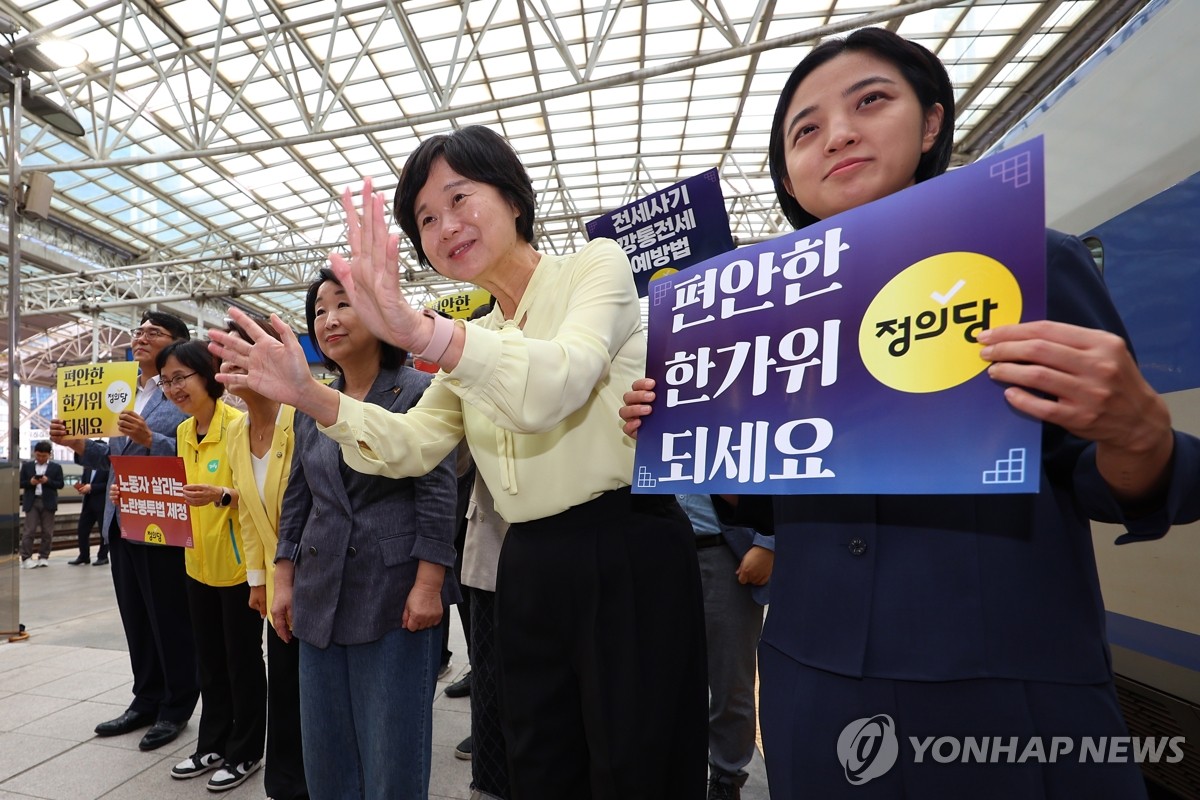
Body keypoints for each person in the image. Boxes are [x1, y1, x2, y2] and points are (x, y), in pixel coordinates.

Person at [619, 27, 1200, 800]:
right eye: (807, 129)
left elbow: (1108, 481)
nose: (840, 135)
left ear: (931, 123)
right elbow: (764, 506)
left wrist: (1140, 434)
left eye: (870, 101)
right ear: (791, 178)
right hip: (813, 693)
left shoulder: (1034, 263)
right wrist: (697, 436)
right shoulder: (765, 330)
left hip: (1005, 699)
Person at [209, 125, 708, 800]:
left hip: (625, 546)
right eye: (425, 219)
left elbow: (559, 380)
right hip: (526, 560)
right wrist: (312, 400)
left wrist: (422, 333)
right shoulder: (481, 335)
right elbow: (413, 444)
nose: (446, 226)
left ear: (514, 198)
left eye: (459, 198)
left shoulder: (595, 267)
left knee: (635, 759)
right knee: (539, 755)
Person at [270, 268, 459, 800]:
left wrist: (429, 583)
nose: (328, 319)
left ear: (378, 315)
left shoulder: (421, 389)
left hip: (392, 591)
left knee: (392, 748)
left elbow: (438, 490)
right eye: (318, 310)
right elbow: (297, 495)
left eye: (342, 304)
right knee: (325, 748)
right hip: (319, 589)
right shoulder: (311, 399)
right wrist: (284, 577)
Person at [50, 310, 200, 752]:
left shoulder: (184, 392)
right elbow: (115, 458)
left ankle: (177, 705)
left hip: (163, 519)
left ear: (177, 343)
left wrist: (154, 439)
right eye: (138, 331)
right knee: (135, 616)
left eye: (154, 332)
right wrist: (80, 446)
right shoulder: (120, 392)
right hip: (121, 519)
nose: (141, 338)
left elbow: (200, 447)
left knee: (169, 615)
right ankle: (145, 698)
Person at [152, 339, 266, 791]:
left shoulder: (238, 425)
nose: (175, 388)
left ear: (207, 375)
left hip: (239, 568)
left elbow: (258, 496)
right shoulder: (183, 433)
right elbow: (178, 495)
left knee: (242, 661)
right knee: (210, 661)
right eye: (167, 381)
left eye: (182, 377)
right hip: (197, 562)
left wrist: (222, 496)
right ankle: (212, 743)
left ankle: (247, 750)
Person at [223, 316, 309, 800]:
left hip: (316, 574)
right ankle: (286, 782)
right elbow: (249, 517)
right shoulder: (238, 433)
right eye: (228, 359)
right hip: (277, 584)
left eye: (247, 354)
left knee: (311, 687)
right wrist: (258, 581)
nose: (237, 367)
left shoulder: (303, 415)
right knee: (285, 682)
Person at [675, 494, 772, 800]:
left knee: (731, 683)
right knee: (662, 682)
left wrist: (769, 542)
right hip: (658, 553)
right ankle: (673, 772)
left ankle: (726, 778)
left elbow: (775, 473)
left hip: (728, 555)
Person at [20, 441, 64, 568]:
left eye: (43, 456)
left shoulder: (56, 467)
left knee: (47, 532)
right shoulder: (27, 466)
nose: (40, 458)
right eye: (38, 455)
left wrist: (47, 481)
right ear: (35, 453)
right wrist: (31, 482)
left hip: (48, 502)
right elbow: (21, 483)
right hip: (32, 501)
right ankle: (26, 558)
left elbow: (60, 484)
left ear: (49, 455)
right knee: (29, 530)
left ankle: (44, 556)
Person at [68, 464, 109, 565]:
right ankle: (84, 556)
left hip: (102, 504)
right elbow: (85, 482)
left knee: (103, 532)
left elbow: (109, 484)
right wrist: (82, 487)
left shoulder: (107, 467)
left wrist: (92, 487)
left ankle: (103, 557)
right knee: (82, 530)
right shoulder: (88, 467)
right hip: (88, 503)